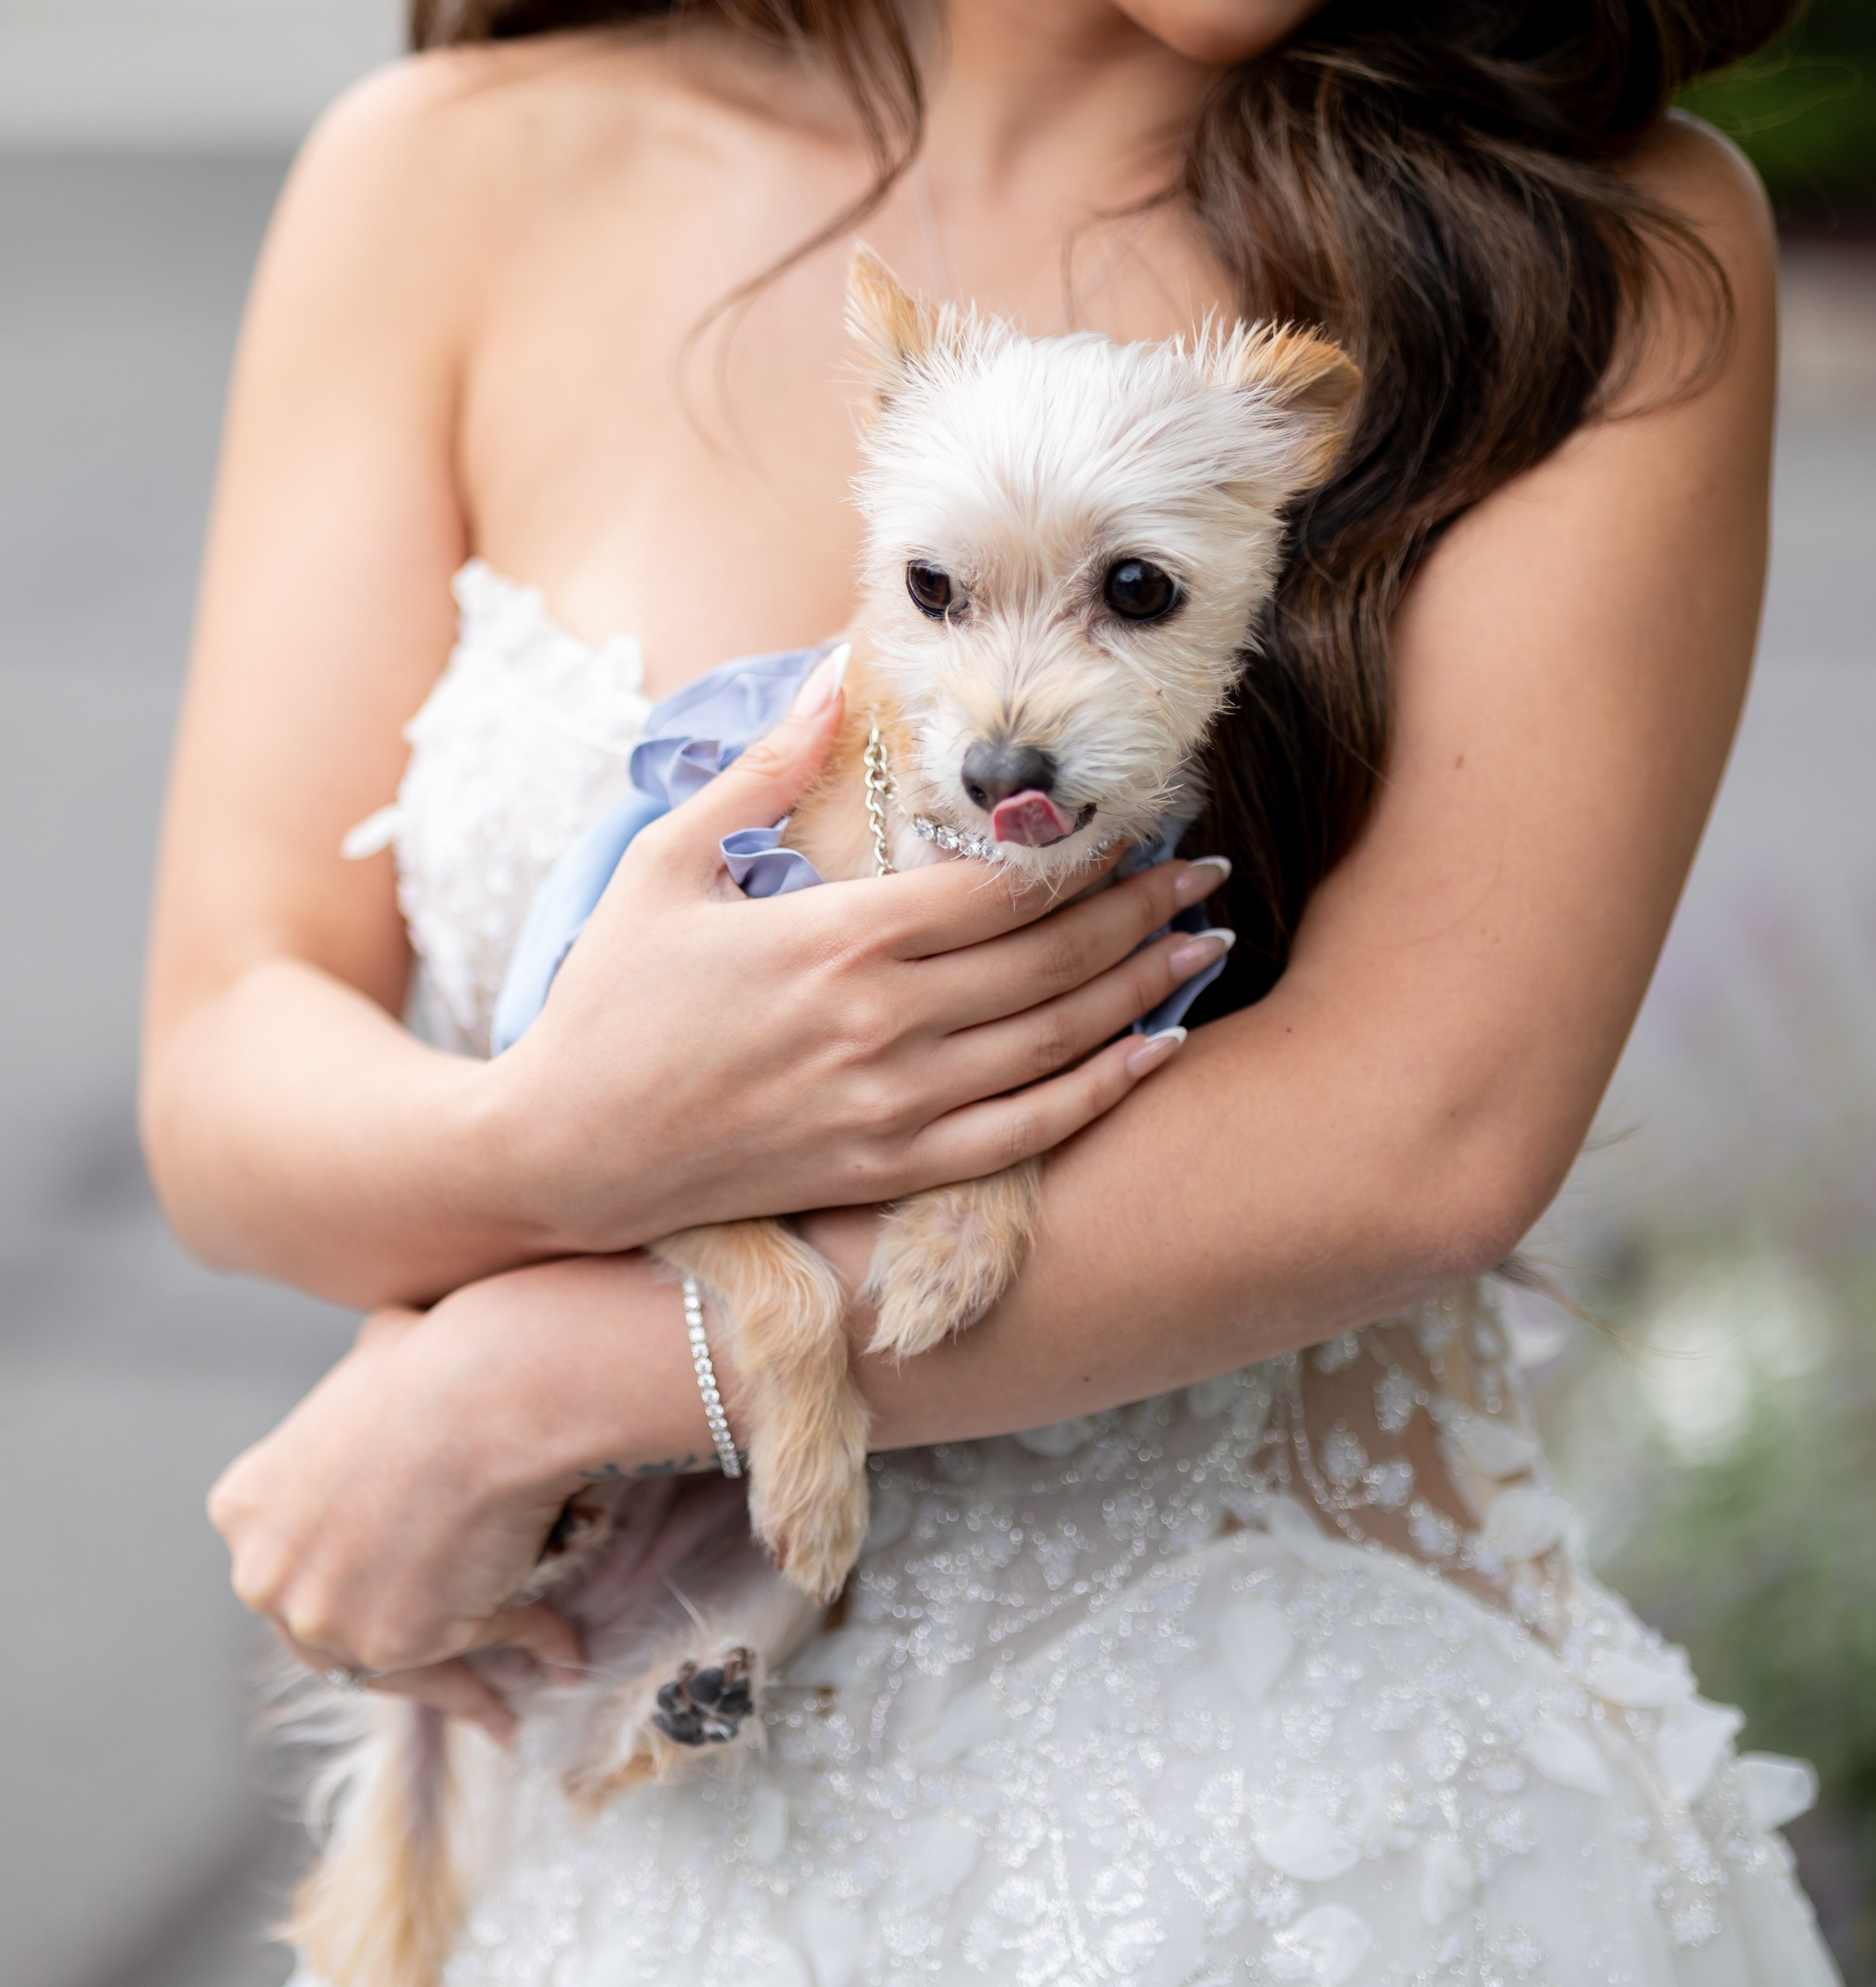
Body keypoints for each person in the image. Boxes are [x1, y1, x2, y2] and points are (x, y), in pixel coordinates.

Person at [143, 1, 1841, 1979]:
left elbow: (1422, 1141)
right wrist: (564, 1139)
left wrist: (520, 1385)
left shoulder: (1587, 249)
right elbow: (225, 1059)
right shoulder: (453, 169)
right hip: (617, 1841)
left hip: (1296, 1841)